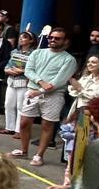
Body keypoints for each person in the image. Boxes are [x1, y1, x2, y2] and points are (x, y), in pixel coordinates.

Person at [13, 27, 76, 166]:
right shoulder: (37, 52)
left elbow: (60, 81)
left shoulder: (69, 60)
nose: (52, 40)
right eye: (51, 37)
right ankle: (24, 151)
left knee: (47, 125)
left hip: (54, 96)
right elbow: (29, 70)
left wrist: (40, 91)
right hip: (32, 91)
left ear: (65, 41)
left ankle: (39, 155)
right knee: (24, 123)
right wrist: (40, 82)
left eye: (57, 38)